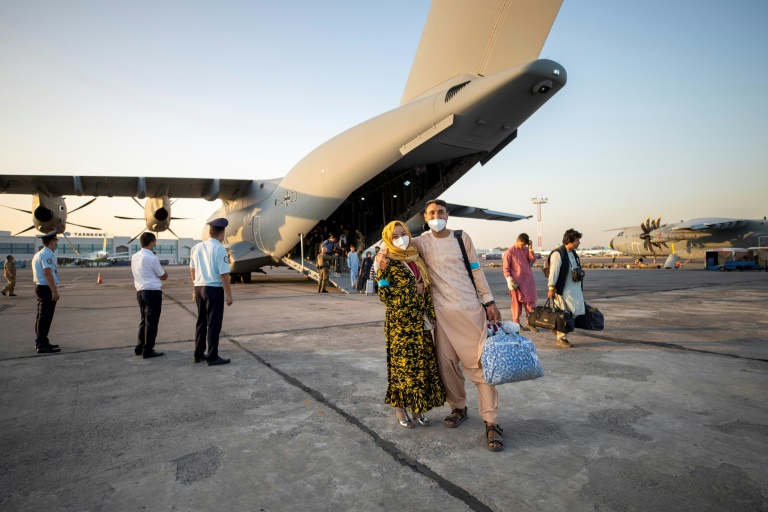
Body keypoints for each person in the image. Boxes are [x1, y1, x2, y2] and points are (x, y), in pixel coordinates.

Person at [379, 199, 505, 451]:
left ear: (448, 215)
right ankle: (458, 407)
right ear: (425, 218)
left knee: (480, 367)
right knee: (447, 366)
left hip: (469, 311)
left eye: (441, 212)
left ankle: (491, 422)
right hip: (442, 317)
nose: (436, 216)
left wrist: (488, 300)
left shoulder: (461, 238)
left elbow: (476, 270)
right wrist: (382, 255)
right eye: (432, 213)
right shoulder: (422, 242)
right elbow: (395, 243)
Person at [376, 221, 445, 427]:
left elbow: (427, 290)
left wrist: (430, 313)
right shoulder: (386, 262)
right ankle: (400, 407)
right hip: (400, 325)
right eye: (395, 236)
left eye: (403, 233)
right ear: (388, 239)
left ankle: (418, 406)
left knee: (421, 366)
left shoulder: (416, 258)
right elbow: (384, 294)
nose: (400, 238)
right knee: (403, 368)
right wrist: (413, 291)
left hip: (420, 322)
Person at [190, 218, 234, 366]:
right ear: (222, 233)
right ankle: (213, 356)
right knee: (214, 323)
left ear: (210, 232)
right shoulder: (220, 249)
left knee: (201, 322)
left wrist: (194, 288)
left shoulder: (196, 247)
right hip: (213, 289)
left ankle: (198, 353)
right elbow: (224, 274)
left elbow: (192, 270)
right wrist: (229, 295)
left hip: (199, 287)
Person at [131, 232, 168, 359]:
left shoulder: (135, 256)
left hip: (140, 291)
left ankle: (139, 346)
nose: (155, 243)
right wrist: (165, 274)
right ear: (151, 242)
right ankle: (148, 349)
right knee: (152, 322)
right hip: (152, 291)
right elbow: (162, 275)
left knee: (144, 320)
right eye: (155, 241)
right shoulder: (152, 257)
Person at [547, 228, 586, 348]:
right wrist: (551, 287)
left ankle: (557, 328)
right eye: (577, 240)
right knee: (564, 314)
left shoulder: (572, 253)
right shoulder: (558, 254)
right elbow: (553, 272)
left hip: (574, 289)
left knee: (577, 310)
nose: (579, 242)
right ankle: (561, 338)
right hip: (564, 290)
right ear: (571, 240)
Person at [31, 231, 61, 353]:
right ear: (52, 242)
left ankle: (42, 341)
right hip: (45, 288)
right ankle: (42, 345)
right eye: (56, 241)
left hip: (41, 287)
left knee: (42, 317)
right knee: (45, 317)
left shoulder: (39, 253)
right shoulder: (47, 254)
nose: (56, 243)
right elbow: (47, 272)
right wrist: (54, 291)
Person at [503, 233, 538, 331]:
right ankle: (516, 324)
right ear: (517, 241)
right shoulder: (509, 252)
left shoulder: (526, 250)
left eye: (524, 245)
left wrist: (530, 248)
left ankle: (530, 323)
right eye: (522, 244)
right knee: (516, 305)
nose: (523, 246)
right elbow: (506, 269)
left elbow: (532, 260)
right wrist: (509, 280)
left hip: (528, 282)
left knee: (530, 304)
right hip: (516, 284)